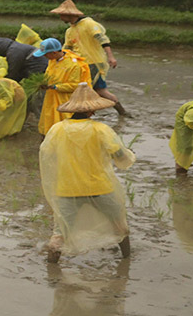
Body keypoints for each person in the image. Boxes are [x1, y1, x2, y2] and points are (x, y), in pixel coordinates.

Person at [40, 82, 135, 263]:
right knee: (120, 226)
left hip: (66, 189)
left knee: (59, 233)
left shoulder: (57, 129)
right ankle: (126, 261)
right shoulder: (101, 130)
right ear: (92, 111)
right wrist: (129, 156)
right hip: (100, 188)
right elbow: (120, 156)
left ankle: (52, 271)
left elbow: (47, 155)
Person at [52, 0, 127, 116]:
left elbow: (103, 40)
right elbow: (66, 49)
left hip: (93, 63)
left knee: (82, 91)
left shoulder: (89, 24)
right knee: (100, 91)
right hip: (80, 64)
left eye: (61, 15)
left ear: (69, 14)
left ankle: (83, 115)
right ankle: (121, 113)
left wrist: (111, 57)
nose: (60, 17)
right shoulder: (69, 31)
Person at [34, 38, 92, 135]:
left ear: (54, 52)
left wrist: (55, 87)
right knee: (49, 119)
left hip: (65, 100)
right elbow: (49, 75)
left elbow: (75, 86)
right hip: (52, 97)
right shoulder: (53, 60)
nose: (44, 56)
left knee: (65, 126)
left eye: (46, 54)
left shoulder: (73, 65)